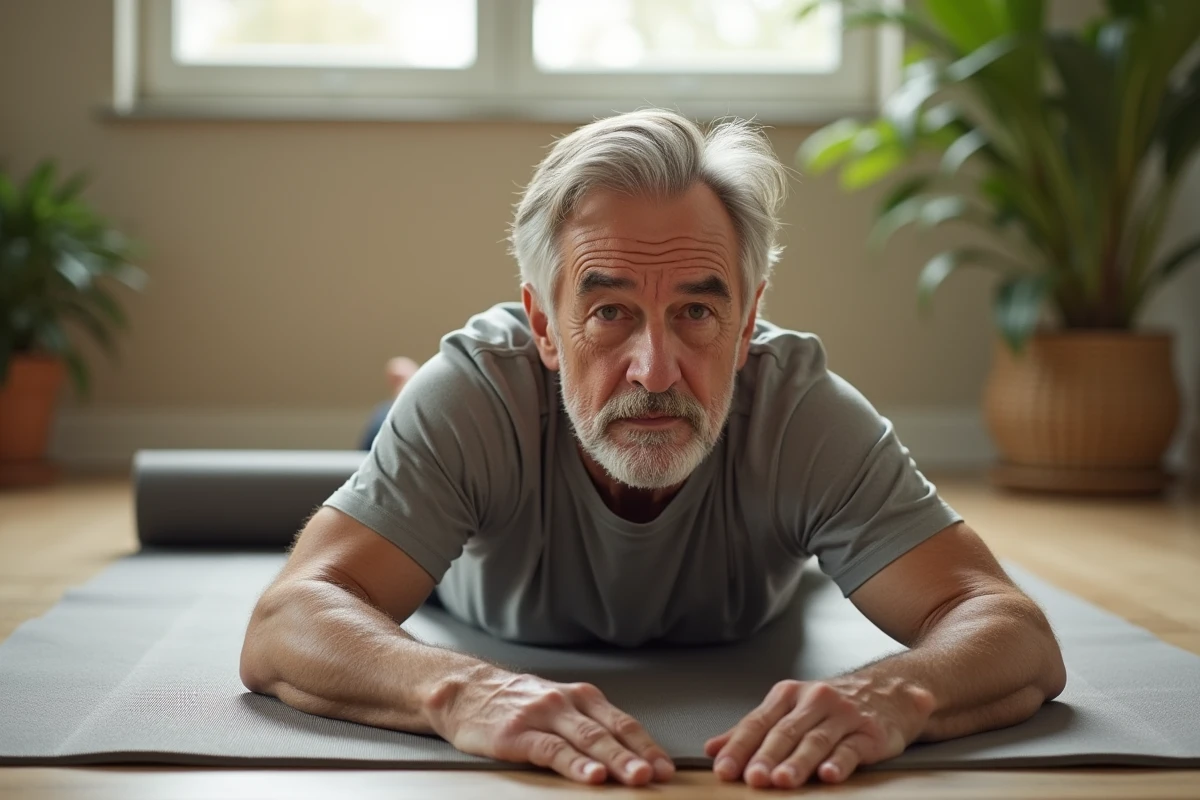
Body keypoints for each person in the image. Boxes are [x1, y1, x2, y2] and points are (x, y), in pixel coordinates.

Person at [240, 109, 1066, 790]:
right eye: (608, 313)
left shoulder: (802, 412)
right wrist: (456, 691)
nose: (656, 369)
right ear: (542, 326)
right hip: (465, 448)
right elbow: (285, 623)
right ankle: (399, 390)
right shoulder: (477, 396)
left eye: (698, 315)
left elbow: (1011, 629)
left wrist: (895, 696)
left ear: (748, 324)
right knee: (403, 415)